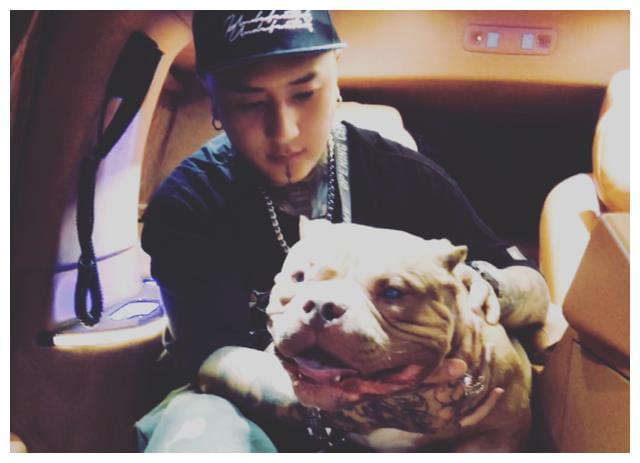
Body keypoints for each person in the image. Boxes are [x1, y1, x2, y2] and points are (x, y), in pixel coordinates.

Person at [136, 10, 552, 452]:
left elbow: (531, 286)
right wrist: (360, 403)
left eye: (304, 93)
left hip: (422, 424)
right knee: (202, 426)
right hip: (254, 415)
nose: (284, 132)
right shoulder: (189, 203)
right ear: (214, 100)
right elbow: (208, 357)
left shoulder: (403, 176)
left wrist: (491, 289)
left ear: (336, 76)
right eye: (249, 103)